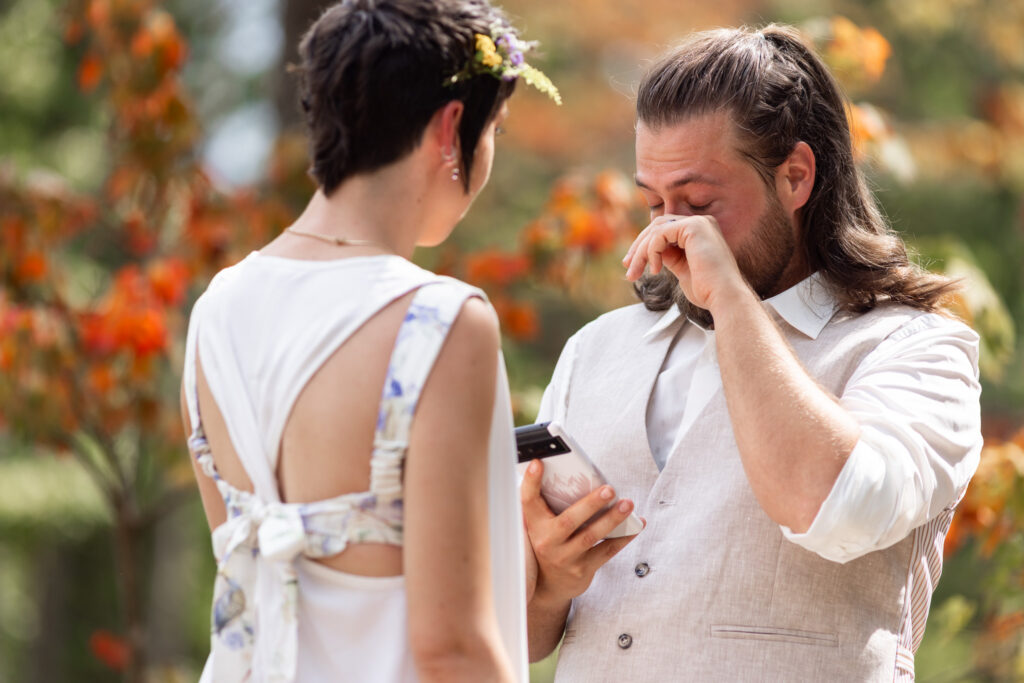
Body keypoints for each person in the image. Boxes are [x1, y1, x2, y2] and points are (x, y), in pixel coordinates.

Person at [521, 24, 982, 681]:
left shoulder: (916, 346)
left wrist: (731, 300)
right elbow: (521, 630)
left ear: (795, 177)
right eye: (653, 202)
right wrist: (549, 579)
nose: (670, 231)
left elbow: (837, 507)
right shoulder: (596, 349)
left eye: (699, 203)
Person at [179, 2, 558, 681]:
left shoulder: (217, 310)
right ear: (452, 128)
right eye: (492, 128)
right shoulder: (439, 320)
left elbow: (245, 566)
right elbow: (452, 646)